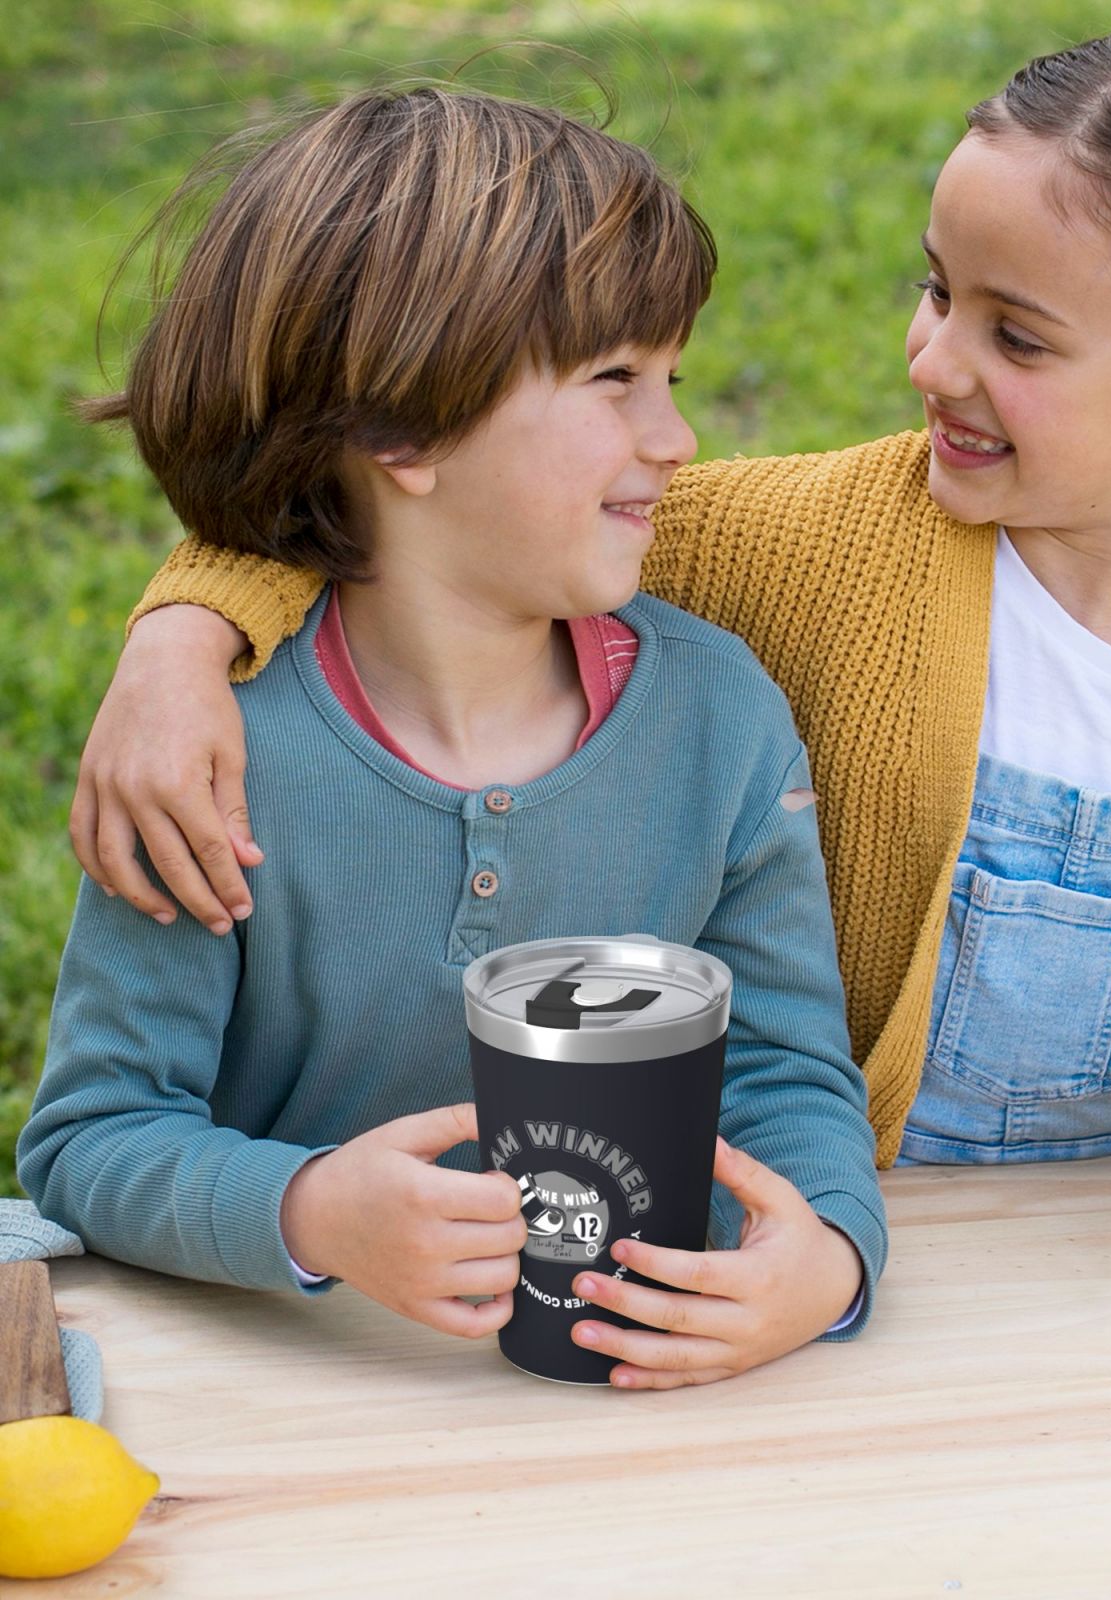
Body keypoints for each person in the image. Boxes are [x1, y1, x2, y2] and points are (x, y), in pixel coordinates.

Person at [68, 25, 1111, 1189]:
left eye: (1018, 335)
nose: (933, 358)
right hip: (848, 1251)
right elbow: (419, 506)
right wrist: (185, 635)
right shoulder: (807, 547)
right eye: (937, 290)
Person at [20, 86, 887, 1390]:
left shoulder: (723, 720)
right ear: (398, 429)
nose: (677, 438)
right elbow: (94, 1138)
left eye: (673, 379)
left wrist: (824, 1254)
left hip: (636, 1408)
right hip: (300, 1399)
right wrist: (312, 1210)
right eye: (614, 383)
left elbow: (778, 1069)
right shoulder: (208, 758)